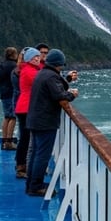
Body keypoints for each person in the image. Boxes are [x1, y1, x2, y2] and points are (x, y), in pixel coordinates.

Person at [25, 49, 77, 196]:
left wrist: (65, 82)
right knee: (42, 154)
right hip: (45, 122)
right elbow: (59, 95)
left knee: (36, 153)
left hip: (35, 119)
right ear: (59, 64)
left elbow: (56, 89)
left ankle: (31, 183)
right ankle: (36, 186)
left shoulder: (42, 73)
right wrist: (72, 94)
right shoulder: (51, 77)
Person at [14, 47, 43, 179]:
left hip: (25, 107)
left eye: (38, 56)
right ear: (28, 59)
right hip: (26, 108)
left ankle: (22, 165)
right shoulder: (29, 71)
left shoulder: (30, 69)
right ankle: (21, 166)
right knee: (25, 139)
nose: (37, 58)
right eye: (34, 57)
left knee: (25, 138)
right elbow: (43, 82)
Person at [0, 46, 19, 150]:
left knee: (6, 117)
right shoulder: (14, 66)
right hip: (12, 93)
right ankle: (9, 142)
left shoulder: (2, 65)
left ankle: (4, 140)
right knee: (13, 117)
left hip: (3, 93)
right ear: (13, 55)